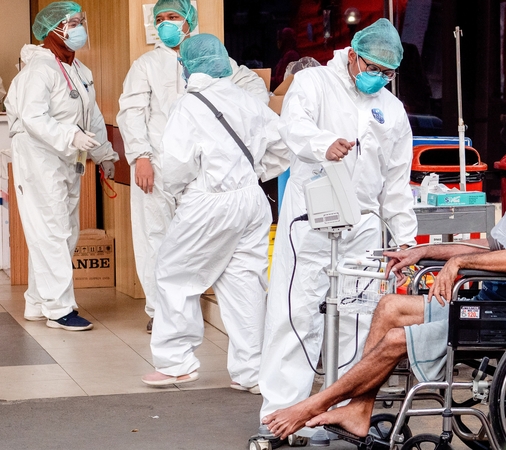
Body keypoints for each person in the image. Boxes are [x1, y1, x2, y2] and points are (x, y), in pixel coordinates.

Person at [262, 130, 506, 439]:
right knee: (389, 307)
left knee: (397, 339)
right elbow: (487, 248)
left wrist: (459, 264)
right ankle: (358, 407)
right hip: (487, 304)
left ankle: (312, 405)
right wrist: (421, 251)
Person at [258, 18, 418, 435]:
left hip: (363, 226)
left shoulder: (393, 110)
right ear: (352, 55)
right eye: (372, 69)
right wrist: (322, 145)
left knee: (359, 320)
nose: (378, 78)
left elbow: (396, 183)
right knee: (294, 315)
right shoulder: (314, 84)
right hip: (310, 222)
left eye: (387, 73)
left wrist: (406, 239)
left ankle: (343, 412)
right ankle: (283, 414)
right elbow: (292, 128)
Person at [140, 34, 290, 389]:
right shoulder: (246, 98)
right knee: (244, 282)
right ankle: (252, 372)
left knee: (175, 275)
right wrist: (252, 174)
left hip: (209, 200)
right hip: (251, 201)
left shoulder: (187, 105)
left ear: (187, 66)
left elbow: (175, 167)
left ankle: (176, 361)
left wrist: (185, 192)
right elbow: (283, 147)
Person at [117, 0, 272, 334]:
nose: (165, 24)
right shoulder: (146, 64)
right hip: (156, 167)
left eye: (172, 17)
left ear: (189, 20)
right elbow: (131, 112)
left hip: (202, 171)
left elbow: (253, 87)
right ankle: (160, 312)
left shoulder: (215, 60)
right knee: (155, 238)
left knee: (192, 240)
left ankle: (189, 306)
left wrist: (240, 116)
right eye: (159, 19)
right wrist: (140, 157)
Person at [3, 1, 119, 331]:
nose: (79, 28)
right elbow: (34, 118)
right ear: (52, 30)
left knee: (62, 233)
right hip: (39, 159)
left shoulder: (79, 71)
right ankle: (59, 309)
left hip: (68, 160)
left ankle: (38, 301)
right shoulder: (38, 71)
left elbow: (92, 116)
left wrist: (105, 154)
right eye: (72, 22)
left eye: (81, 21)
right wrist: (71, 136)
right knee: (51, 232)